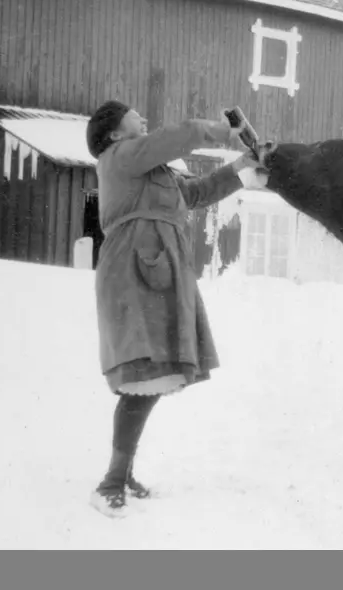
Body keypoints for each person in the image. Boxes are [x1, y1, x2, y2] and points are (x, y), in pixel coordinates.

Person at [85, 100, 266, 517]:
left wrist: (245, 166)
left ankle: (122, 471)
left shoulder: (157, 172)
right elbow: (171, 138)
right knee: (141, 376)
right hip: (133, 271)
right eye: (134, 116)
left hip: (162, 273)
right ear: (113, 133)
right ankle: (110, 482)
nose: (143, 119)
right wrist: (218, 131)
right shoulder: (119, 158)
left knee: (151, 377)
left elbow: (199, 191)